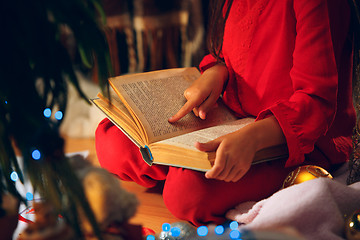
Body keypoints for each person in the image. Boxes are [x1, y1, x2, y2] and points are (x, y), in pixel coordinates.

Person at [95, 0, 355, 226]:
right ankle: (184, 167)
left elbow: (316, 104)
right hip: (231, 117)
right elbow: (232, 56)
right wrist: (216, 72)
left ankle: (184, 173)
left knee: (186, 193)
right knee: (110, 138)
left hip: (292, 143)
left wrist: (252, 139)